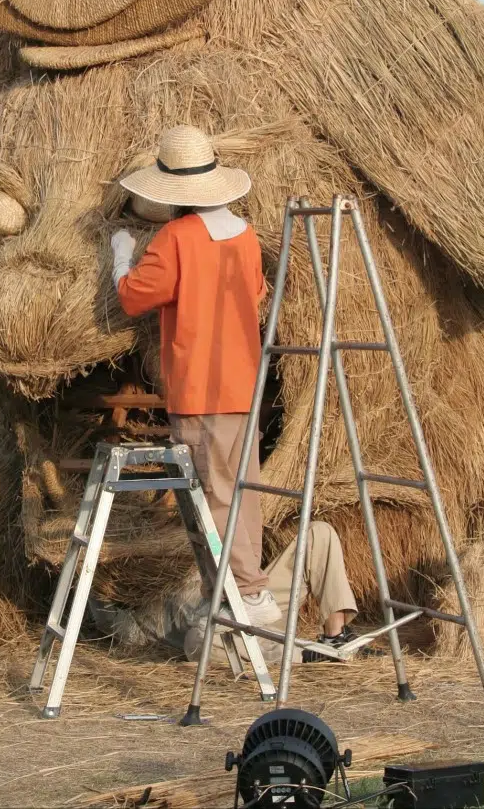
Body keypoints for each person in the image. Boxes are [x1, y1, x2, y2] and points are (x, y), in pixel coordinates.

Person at [110, 124, 280, 634]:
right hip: (243, 384)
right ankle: (238, 591)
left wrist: (120, 255)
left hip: (201, 388)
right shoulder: (246, 235)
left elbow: (133, 297)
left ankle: (245, 593)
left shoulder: (176, 238)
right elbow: (255, 292)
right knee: (239, 491)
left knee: (213, 495)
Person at [182, 520, 362, 665]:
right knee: (196, 641)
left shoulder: (222, 486)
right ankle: (308, 654)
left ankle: (336, 638)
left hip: (257, 600)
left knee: (319, 532)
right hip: (220, 619)